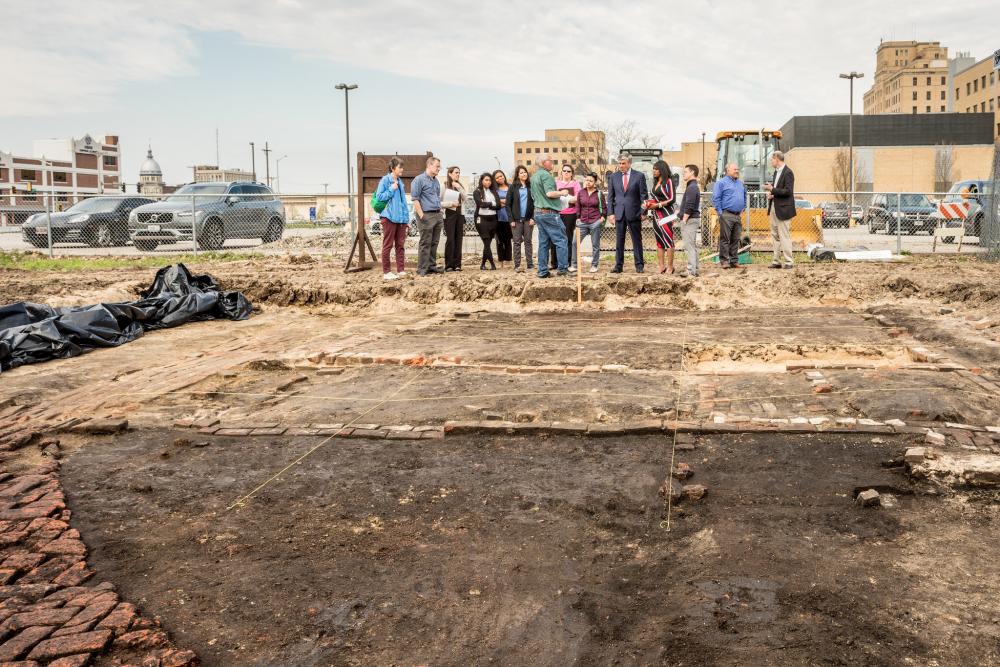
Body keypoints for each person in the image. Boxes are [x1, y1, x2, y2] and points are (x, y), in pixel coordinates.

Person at [607, 153, 648, 273]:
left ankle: (639, 265)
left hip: (634, 213)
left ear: (629, 163)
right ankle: (618, 266)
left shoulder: (639, 176)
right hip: (619, 213)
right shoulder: (613, 177)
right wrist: (610, 213)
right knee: (619, 241)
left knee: (637, 240)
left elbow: (643, 196)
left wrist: (644, 212)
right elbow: (610, 197)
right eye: (619, 163)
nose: (621, 166)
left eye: (623, 163)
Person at [529, 155, 569, 278]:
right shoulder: (546, 175)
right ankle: (562, 269)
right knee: (561, 240)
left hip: (538, 213)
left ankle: (542, 270)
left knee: (543, 242)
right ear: (543, 163)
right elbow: (550, 193)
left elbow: (534, 196)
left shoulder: (534, 177)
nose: (552, 163)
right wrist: (563, 192)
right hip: (549, 213)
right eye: (550, 161)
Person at [374, 157, 409, 280]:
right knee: (387, 245)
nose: (402, 169)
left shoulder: (400, 182)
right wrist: (391, 189)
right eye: (400, 167)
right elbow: (379, 197)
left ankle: (401, 270)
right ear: (393, 168)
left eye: (402, 167)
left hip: (400, 220)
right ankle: (386, 272)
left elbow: (403, 202)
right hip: (388, 218)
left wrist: (406, 219)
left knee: (400, 245)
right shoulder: (385, 180)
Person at [411, 156, 444, 276]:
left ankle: (431, 266)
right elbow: (415, 199)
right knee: (425, 242)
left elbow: (436, 198)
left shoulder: (436, 181)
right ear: (429, 165)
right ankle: (422, 269)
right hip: (426, 215)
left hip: (437, 215)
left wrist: (440, 211)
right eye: (437, 166)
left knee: (434, 242)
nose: (439, 169)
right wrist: (421, 215)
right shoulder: (418, 180)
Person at [712, 162, 746, 269]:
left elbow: (744, 196)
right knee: (725, 239)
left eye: (738, 169)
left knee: (735, 239)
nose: (737, 171)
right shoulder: (721, 183)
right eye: (735, 169)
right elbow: (716, 198)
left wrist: (742, 209)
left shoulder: (740, 183)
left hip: (737, 215)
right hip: (726, 214)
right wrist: (720, 213)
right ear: (728, 170)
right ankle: (724, 261)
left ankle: (734, 261)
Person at [764, 151, 795, 269]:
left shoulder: (788, 173)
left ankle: (788, 262)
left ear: (777, 159)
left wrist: (772, 189)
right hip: (774, 207)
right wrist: (772, 194)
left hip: (783, 210)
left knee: (784, 235)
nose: (771, 161)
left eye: (772, 159)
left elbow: (788, 191)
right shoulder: (776, 173)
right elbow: (778, 190)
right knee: (775, 235)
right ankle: (776, 261)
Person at [648, 160, 677, 274]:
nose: (654, 171)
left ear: (662, 170)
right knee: (659, 241)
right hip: (655, 214)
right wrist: (649, 203)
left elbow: (672, 199)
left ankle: (670, 267)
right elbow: (656, 198)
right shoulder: (655, 182)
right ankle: (661, 266)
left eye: (656, 169)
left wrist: (658, 204)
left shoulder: (669, 181)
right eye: (653, 169)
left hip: (667, 214)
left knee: (668, 241)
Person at [576, 172, 606, 273]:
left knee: (595, 245)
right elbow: (578, 206)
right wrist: (578, 218)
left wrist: (602, 218)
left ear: (595, 182)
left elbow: (604, 207)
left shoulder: (599, 193)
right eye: (587, 180)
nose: (588, 182)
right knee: (575, 242)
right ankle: (574, 264)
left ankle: (594, 265)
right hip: (583, 221)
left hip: (595, 221)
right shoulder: (581, 192)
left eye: (591, 181)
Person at [507, 164, 534, 273]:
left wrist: (533, 217)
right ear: (518, 175)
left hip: (528, 219)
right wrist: (511, 220)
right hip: (516, 220)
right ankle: (517, 265)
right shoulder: (513, 187)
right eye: (521, 172)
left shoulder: (531, 186)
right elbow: (508, 204)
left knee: (528, 241)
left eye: (525, 172)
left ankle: (530, 264)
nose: (524, 174)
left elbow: (535, 203)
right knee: (517, 242)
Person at [554, 164, 582, 272]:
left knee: (568, 238)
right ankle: (555, 262)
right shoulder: (556, 183)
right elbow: (553, 197)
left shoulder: (575, 184)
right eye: (564, 171)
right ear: (561, 172)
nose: (566, 172)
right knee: (556, 238)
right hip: (557, 213)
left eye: (569, 171)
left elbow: (577, 199)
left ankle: (568, 261)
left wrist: (562, 197)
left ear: (572, 173)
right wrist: (568, 198)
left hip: (570, 214)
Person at [473, 173, 500, 270]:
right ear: (482, 181)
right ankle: (492, 264)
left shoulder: (493, 191)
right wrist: (491, 203)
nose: (488, 182)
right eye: (486, 180)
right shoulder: (477, 191)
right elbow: (480, 204)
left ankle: (483, 264)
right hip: (481, 219)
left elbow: (498, 206)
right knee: (486, 241)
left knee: (487, 243)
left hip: (493, 219)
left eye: (490, 180)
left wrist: (488, 204)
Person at [678, 164, 701, 278]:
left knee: (689, 246)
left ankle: (691, 270)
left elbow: (690, 206)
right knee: (692, 245)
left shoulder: (692, 187)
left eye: (685, 171)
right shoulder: (692, 186)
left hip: (690, 220)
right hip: (692, 219)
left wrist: (684, 219)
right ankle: (695, 269)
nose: (683, 173)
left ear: (692, 172)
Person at [442, 166, 466, 272]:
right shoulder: (444, 185)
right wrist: (450, 203)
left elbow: (465, 198)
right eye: (456, 172)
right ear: (450, 174)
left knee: (458, 240)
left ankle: (457, 265)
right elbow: (439, 202)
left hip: (459, 215)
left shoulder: (460, 185)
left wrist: (459, 188)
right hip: (449, 215)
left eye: (459, 173)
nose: (458, 174)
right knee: (450, 239)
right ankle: (448, 265)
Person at [493, 170, 513, 269]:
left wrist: (503, 202)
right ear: (495, 180)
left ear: (504, 175)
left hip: (509, 218)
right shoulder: (495, 190)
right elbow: (495, 202)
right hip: (498, 218)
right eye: (497, 177)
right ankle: (500, 260)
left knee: (508, 240)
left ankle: (508, 260)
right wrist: (505, 202)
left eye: (501, 176)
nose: (500, 178)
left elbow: (513, 200)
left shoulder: (510, 187)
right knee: (499, 241)